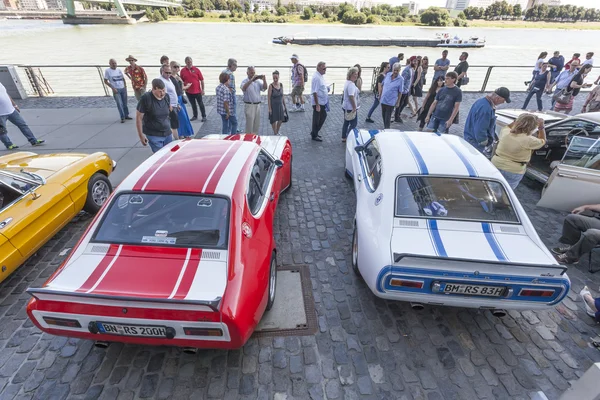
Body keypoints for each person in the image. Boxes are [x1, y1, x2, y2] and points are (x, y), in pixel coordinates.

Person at [491, 114, 546, 189]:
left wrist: (520, 119)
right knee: (505, 192)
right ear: (532, 127)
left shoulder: (506, 132)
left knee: (489, 188)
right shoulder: (529, 140)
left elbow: (509, 126)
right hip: (514, 170)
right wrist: (541, 126)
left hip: (495, 164)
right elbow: (542, 140)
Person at [463, 87, 511, 153]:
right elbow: (480, 128)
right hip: (475, 142)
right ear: (497, 98)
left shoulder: (481, 102)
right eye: (503, 101)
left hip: (470, 137)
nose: (503, 103)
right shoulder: (486, 109)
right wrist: (484, 141)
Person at [0, 82, 45, 150]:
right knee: (2, 131)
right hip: (1, 114)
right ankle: (9, 144)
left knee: (23, 125)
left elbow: (6, 95)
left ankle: (33, 141)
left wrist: (14, 105)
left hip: (11, 110)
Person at [136, 78, 172, 153]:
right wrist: (141, 136)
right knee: (160, 156)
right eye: (160, 91)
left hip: (167, 133)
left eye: (163, 90)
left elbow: (169, 110)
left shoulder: (166, 96)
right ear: (153, 89)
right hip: (154, 135)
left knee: (168, 155)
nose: (162, 93)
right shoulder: (146, 98)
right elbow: (139, 118)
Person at [169, 61, 194, 138]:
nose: (177, 69)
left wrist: (187, 86)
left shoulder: (177, 76)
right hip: (175, 99)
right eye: (175, 67)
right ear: (171, 67)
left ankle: (185, 133)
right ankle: (180, 134)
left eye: (178, 67)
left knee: (184, 117)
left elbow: (181, 88)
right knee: (180, 117)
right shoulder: (169, 78)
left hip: (180, 97)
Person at [241, 66, 267, 134]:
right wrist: (251, 80)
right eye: (251, 73)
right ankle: (248, 140)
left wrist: (264, 79)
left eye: (254, 73)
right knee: (249, 126)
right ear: (247, 73)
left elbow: (264, 88)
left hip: (257, 105)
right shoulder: (244, 81)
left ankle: (254, 140)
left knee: (256, 125)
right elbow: (243, 88)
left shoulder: (257, 82)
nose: (253, 74)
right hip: (249, 105)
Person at [180, 56, 206, 122]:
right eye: (188, 62)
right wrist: (184, 88)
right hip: (188, 91)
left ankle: (204, 116)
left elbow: (202, 80)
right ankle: (195, 116)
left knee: (201, 104)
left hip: (197, 91)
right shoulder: (183, 71)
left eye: (190, 62)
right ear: (185, 62)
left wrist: (203, 89)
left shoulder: (196, 69)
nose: (189, 63)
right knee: (193, 104)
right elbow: (181, 81)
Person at [104, 59, 130, 123]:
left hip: (123, 88)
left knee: (125, 103)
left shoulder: (119, 70)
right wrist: (113, 88)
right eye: (113, 63)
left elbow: (123, 78)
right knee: (119, 103)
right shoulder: (108, 71)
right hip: (116, 89)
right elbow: (105, 81)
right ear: (110, 64)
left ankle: (126, 115)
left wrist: (125, 86)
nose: (114, 64)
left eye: (115, 63)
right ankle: (122, 117)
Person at [380, 63, 404, 130]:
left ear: (399, 70)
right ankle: (385, 128)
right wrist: (380, 94)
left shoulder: (401, 79)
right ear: (392, 69)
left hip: (391, 101)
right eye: (394, 70)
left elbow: (400, 91)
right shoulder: (388, 75)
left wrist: (398, 102)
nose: (395, 72)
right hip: (383, 99)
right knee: (384, 116)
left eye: (397, 70)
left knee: (388, 117)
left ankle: (387, 129)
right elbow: (382, 84)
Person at [158, 64, 179, 139]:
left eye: (170, 73)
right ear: (162, 71)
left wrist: (177, 104)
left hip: (174, 105)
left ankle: (175, 139)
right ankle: (175, 140)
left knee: (175, 124)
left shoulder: (169, 79)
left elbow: (173, 92)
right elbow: (163, 95)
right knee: (173, 125)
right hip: (169, 106)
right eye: (167, 73)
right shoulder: (161, 81)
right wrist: (169, 105)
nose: (168, 74)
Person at [310, 61, 329, 142]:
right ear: (318, 67)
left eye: (326, 68)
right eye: (324, 68)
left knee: (321, 117)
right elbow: (315, 92)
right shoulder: (317, 78)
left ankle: (315, 132)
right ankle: (314, 135)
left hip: (322, 102)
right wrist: (317, 104)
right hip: (318, 103)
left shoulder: (320, 75)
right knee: (317, 119)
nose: (325, 70)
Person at [395, 56, 416, 123]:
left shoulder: (411, 69)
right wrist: (401, 90)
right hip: (403, 90)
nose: (415, 62)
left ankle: (398, 114)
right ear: (411, 61)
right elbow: (403, 80)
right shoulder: (407, 69)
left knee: (405, 103)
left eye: (416, 61)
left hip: (407, 89)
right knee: (400, 103)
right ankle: (396, 116)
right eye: (414, 61)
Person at [341, 66, 360, 142]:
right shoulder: (351, 85)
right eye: (354, 74)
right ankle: (348, 136)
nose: (356, 76)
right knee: (353, 123)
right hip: (350, 107)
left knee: (346, 122)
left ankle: (344, 136)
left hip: (346, 106)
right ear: (350, 74)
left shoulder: (348, 82)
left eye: (357, 74)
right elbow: (351, 96)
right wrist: (354, 107)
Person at [268, 70, 287, 136]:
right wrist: (269, 108)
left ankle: (277, 131)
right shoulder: (271, 86)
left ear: (279, 77)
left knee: (280, 119)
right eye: (274, 78)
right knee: (274, 120)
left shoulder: (281, 85)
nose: (275, 79)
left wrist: (284, 105)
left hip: (280, 105)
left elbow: (282, 96)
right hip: (273, 105)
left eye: (276, 78)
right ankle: (275, 133)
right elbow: (268, 98)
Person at [223, 58, 239, 134]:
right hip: (231, 97)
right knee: (232, 115)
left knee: (226, 118)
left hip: (224, 98)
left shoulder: (224, 72)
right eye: (235, 65)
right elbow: (230, 89)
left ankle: (227, 131)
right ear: (231, 65)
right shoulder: (231, 75)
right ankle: (232, 131)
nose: (236, 67)